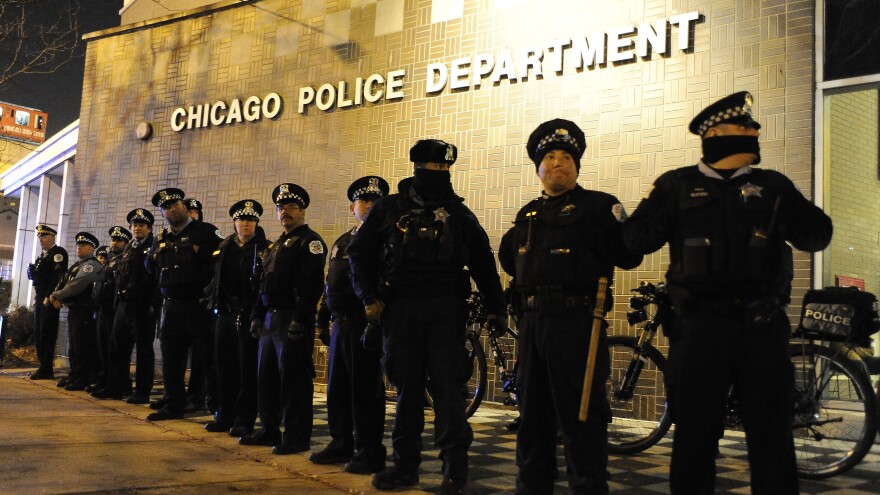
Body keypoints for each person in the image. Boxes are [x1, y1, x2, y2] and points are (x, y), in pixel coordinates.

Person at [623, 91, 833, 495]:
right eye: (746, 126)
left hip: (762, 330)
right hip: (698, 331)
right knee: (694, 440)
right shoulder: (675, 185)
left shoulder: (771, 186)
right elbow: (635, 241)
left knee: (771, 440)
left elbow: (816, 235)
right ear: (715, 133)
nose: (755, 132)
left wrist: (790, 206)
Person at [347, 139, 506, 495]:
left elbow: (483, 260)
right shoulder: (388, 209)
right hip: (400, 311)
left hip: (447, 311)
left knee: (449, 392)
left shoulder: (459, 213)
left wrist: (497, 306)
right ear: (417, 168)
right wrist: (368, 298)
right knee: (408, 391)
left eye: (446, 170)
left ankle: (455, 470)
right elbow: (360, 253)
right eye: (434, 169)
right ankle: (405, 468)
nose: (440, 175)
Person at [497, 119, 643, 494]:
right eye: (549, 157)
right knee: (532, 415)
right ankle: (532, 486)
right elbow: (510, 260)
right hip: (531, 324)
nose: (557, 163)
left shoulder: (599, 207)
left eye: (565, 157)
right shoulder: (527, 214)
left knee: (581, 415)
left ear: (577, 166)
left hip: (577, 324)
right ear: (538, 167)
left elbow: (630, 254)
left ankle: (588, 486)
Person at [310, 176, 390, 474]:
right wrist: (322, 319)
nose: (369, 206)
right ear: (351, 207)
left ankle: (370, 451)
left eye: (375, 201)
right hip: (340, 324)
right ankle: (340, 442)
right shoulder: (342, 242)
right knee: (338, 389)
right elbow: (330, 284)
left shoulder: (387, 240)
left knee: (365, 390)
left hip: (366, 324)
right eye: (363, 201)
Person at [241, 183, 326, 455]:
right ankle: (268, 428)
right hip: (270, 319)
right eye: (280, 207)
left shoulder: (309, 242)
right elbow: (263, 283)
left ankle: (296, 436)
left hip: (291, 319)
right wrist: (257, 315)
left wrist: (301, 320)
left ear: (302, 210)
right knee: (266, 377)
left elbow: (312, 286)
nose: (284, 212)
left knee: (294, 381)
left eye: (290, 207)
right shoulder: (277, 244)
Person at [145, 188, 223, 421]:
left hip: (199, 306)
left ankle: (218, 407)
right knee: (172, 358)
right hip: (172, 306)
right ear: (161, 212)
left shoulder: (206, 232)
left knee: (208, 359)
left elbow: (221, 263)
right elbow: (150, 267)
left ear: (183, 206)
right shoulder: (162, 238)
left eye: (175, 204)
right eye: (166, 207)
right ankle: (174, 403)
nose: (172, 209)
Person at [204, 199, 268, 437]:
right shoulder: (224, 248)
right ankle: (225, 414)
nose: (245, 224)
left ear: (256, 223)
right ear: (234, 222)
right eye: (241, 219)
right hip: (225, 316)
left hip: (250, 316)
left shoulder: (264, 249)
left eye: (250, 220)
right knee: (224, 366)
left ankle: (244, 419)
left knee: (246, 370)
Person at [108, 208, 159, 404]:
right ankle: (117, 386)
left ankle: (142, 391)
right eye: (135, 225)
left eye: (141, 225)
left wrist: (153, 303)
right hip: (124, 303)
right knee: (118, 346)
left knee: (144, 350)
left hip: (143, 305)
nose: (137, 228)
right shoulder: (130, 246)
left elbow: (156, 277)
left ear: (149, 228)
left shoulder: (154, 246)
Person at [48, 232, 104, 391]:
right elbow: (65, 283)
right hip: (75, 310)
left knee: (82, 345)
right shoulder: (77, 265)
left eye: (83, 245)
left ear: (92, 248)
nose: (79, 248)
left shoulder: (90, 265)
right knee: (74, 345)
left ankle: (82, 377)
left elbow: (78, 285)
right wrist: (60, 297)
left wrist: (56, 295)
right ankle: (75, 375)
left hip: (84, 310)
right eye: (78, 245)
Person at [89, 227, 131, 397]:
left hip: (114, 310)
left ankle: (117, 384)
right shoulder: (110, 260)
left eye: (118, 240)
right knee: (103, 348)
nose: (114, 243)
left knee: (115, 350)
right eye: (113, 240)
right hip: (103, 309)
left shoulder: (123, 260)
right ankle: (105, 380)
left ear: (126, 243)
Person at [27, 225, 69, 380]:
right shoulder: (43, 256)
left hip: (48, 300)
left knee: (47, 333)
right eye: (39, 237)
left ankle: (46, 368)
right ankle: (42, 366)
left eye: (44, 237)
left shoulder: (58, 253)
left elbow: (59, 277)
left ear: (52, 237)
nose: (41, 240)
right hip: (40, 298)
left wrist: (50, 296)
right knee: (39, 333)